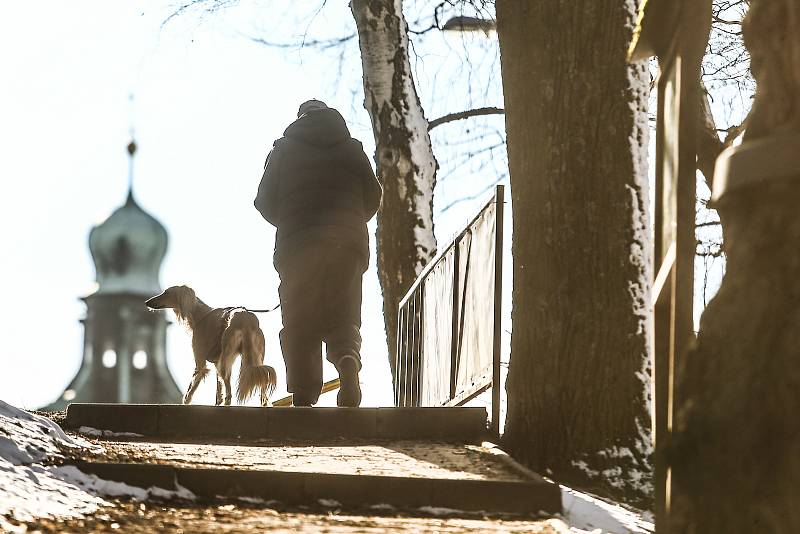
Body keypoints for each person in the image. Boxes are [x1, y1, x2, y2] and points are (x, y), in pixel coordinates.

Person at [254, 99, 382, 407]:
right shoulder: (352, 148)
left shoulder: (283, 149)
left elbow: (263, 200)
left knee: (300, 319)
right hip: (346, 247)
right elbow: (374, 195)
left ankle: (304, 392)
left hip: (299, 247)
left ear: (300, 118)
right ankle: (348, 362)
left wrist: (290, 222)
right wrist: (348, 224)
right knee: (343, 313)